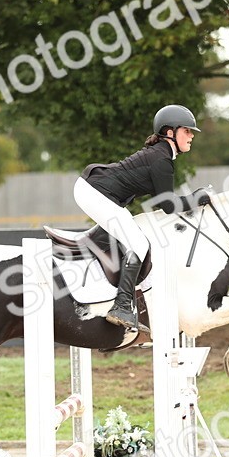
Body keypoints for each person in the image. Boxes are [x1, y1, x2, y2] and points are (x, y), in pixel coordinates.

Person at [73, 105, 212, 331]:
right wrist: (197, 198)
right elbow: (168, 205)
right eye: (187, 130)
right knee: (138, 243)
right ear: (170, 132)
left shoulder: (161, 155)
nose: (192, 135)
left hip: (94, 190)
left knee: (129, 234)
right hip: (95, 192)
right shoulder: (161, 159)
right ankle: (121, 306)